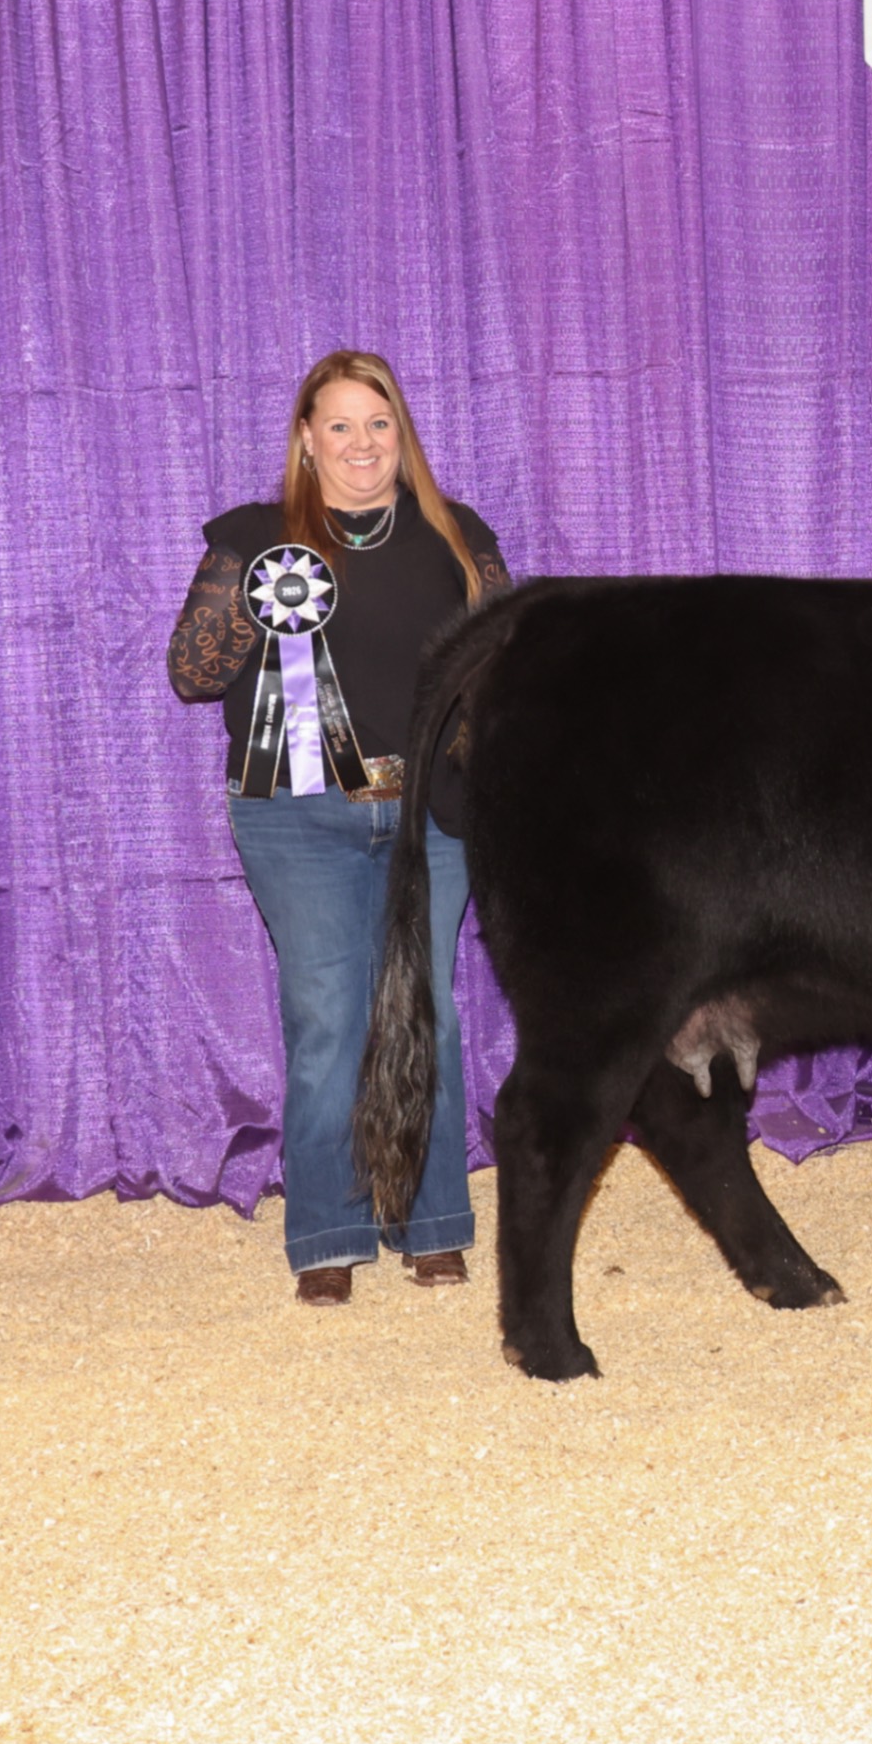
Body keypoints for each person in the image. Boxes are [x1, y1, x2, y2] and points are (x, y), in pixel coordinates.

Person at [166, 351, 510, 1304]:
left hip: (429, 818)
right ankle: (328, 1229)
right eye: (342, 426)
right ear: (307, 439)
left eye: (380, 423)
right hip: (295, 816)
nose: (363, 444)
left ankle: (434, 1222)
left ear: (403, 434)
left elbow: (505, 666)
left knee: (425, 1013)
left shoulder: (457, 536)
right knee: (330, 1024)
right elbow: (192, 672)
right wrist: (253, 593)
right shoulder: (254, 540)